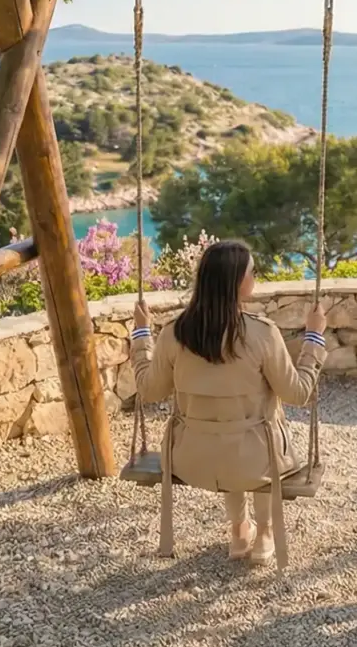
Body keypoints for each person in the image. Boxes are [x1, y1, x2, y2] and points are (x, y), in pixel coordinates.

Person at [130, 240, 327, 569]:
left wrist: (140, 336)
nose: (256, 278)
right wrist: (314, 338)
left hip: (193, 460)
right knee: (256, 440)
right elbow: (297, 393)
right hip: (254, 460)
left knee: (230, 435)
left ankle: (239, 530)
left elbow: (148, 390)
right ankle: (264, 532)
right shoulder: (262, 334)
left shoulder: (175, 333)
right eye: (253, 272)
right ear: (236, 282)